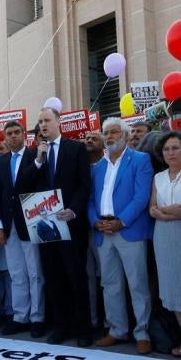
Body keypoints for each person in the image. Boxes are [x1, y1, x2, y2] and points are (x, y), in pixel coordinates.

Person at [24, 106, 92, 347]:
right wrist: (39, 160)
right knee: (53, 278)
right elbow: (23, 183)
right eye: (40, 121)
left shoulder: (76, 149)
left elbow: (84, 186)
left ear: (58, 122)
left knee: (76, 277)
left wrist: (73, 210)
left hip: (70, 224)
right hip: (44, 227)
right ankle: (61, 327)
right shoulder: (34, 153)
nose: (43, 125)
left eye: (47, 120)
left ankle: (83, 329)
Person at [88, 117, 153, 355]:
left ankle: (142, 333)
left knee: (137, 284)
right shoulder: (99, 167)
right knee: (109, 284)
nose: (109, 136)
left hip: (128, 229)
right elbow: (90, 199)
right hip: (103, 231)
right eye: (106, 132)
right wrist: (95, 221)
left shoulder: (140, 159)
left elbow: (141, 196)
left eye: (114, 132)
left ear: (125, 135)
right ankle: (117, 330)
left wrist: (120, 221)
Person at [0, 121, 45, 338]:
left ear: (24, 135)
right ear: (4, 137)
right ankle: (20, 316)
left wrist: (39, 161)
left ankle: (37, 317)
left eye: (16, 133)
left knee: (35, 272)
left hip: (32, 220)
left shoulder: (36, 155)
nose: (13, 136)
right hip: (8, 224)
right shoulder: (1, 161)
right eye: (9, 134)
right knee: (16, 273)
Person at [149, 131, 181, 357]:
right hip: (164, 237)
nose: (170, 153)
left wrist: (165, 211)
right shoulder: (157, 178)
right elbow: (152, 207)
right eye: (166, 149)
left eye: (175, 148)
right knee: (172, 290)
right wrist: (166, 212)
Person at [84, 131, 105, 330]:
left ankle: (111, 322)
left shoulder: (108, 166)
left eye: (94, 138)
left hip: (104, 228)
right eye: (87, 138)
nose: (89, 140)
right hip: (83, 229)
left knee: (107, 277)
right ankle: (92, 321)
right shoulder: (79, 166)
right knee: (87, 277)